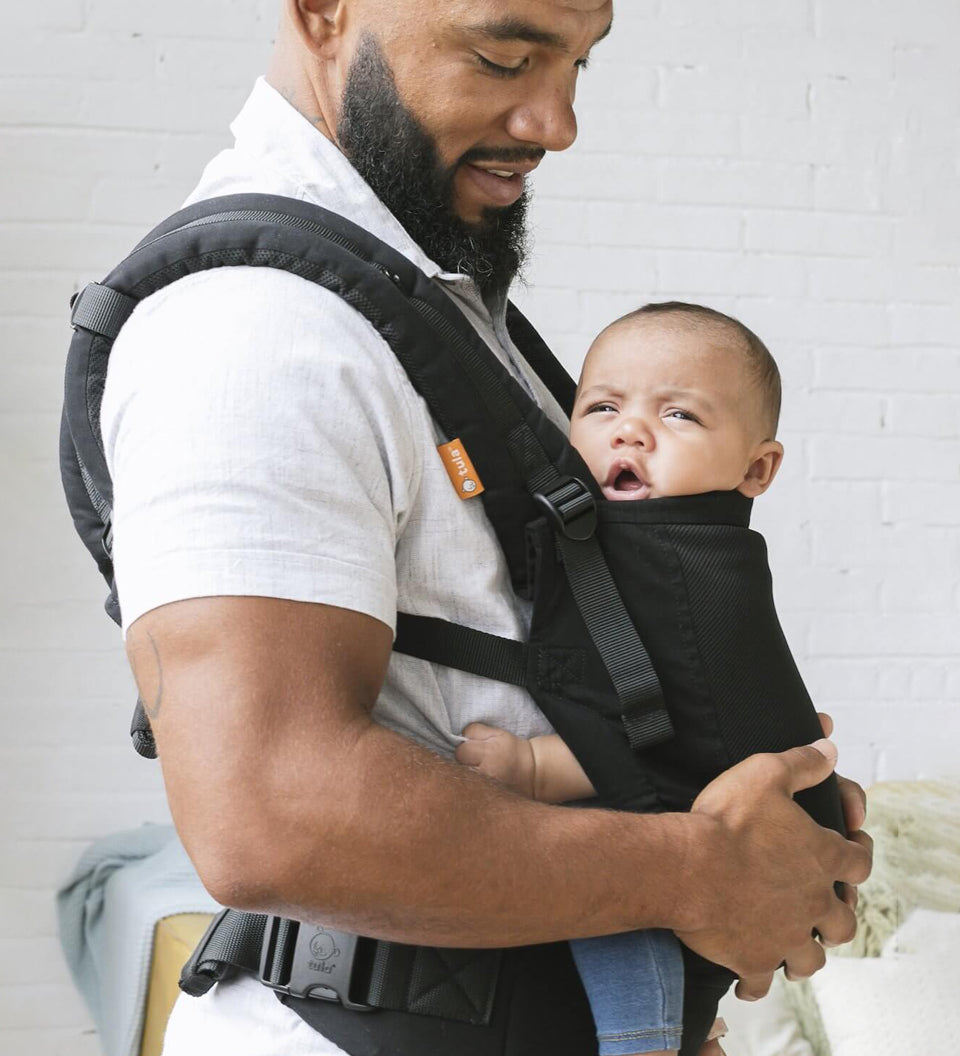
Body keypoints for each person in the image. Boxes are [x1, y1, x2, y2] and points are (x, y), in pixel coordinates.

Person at [102, 2, 872, 1053]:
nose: (557, 121)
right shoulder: (256, 332)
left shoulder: (410, 294)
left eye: (579, 63)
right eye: (503, 55)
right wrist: (704, 871)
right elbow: (271, 816)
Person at [456, 301, 789, 1056]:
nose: (629, 431)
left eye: (679, 416)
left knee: (622, 892)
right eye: (602, 406)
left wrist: (534, 767)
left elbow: (668, 727)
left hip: (715, 845)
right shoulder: (631, 540)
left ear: (756, 468)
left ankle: (648, 1041)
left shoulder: (692, 571)